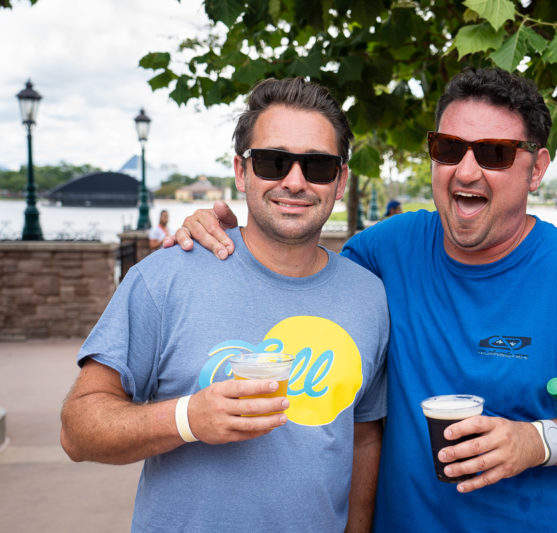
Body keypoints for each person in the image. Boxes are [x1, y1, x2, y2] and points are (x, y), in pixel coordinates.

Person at [166, 68, 557, 532]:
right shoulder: (385, 250)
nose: (466, 171)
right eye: (449, 148)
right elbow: (298, 273)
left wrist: (536, 442)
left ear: (536, 169)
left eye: (493, 153)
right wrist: (225, 238)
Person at [60, 77, 389, 533]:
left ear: (340, 179)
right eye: (274, 162)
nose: (295, 181)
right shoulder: (167, 277)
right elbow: (77, 431)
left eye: (317, 166)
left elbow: (364, 435)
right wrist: (186, 418)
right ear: (241, 170)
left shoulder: (369, 296)